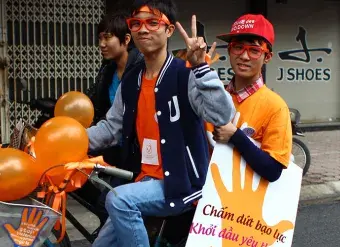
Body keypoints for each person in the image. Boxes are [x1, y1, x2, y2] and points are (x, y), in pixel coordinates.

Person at [86, 0, 235, 246]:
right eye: (136, 23)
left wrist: (201, 68)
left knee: (119, 200)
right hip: (144, 181)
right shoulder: (132, 79)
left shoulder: (184, 74)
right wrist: (74, 140)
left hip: (183, 183)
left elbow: (221, 115)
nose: (143, 29)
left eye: (153, 22)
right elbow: (111, 128)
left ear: (169, 30)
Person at [75, 10, 143, 226]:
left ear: (126, 40)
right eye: (100, 38)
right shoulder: (108, 70)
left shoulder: (140, 70)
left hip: (137, 153)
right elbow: (95, 106)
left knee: (112, 202)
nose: (102, 44)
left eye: (107, 37)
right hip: (113, 147)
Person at [209, 14, 292, 182]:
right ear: (229, 51)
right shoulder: (214, 96)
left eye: (254, 50)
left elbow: (273, 171)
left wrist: (236, 137)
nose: (244, 56)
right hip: (207, 197)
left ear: (267, 57)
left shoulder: (276, 106)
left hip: (243, 202)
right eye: (238, 47)